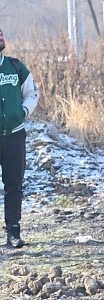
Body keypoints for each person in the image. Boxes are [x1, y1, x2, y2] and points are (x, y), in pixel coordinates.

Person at [0, 27, 40, 249]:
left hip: (14, 136)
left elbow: (32, 93)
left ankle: (13, 232)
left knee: (14, 185)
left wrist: (23, 112)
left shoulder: (15, 67)